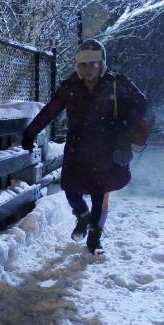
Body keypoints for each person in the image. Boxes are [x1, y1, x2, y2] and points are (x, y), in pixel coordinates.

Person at [21, 39, 147, 254]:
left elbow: (141, 103)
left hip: (106, 149)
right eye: (82, 64)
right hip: (77, 149)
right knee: (70, 189)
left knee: (100, 192)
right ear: (77, 66)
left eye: (93, 63)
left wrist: (122, 123)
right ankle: (82, 215)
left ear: (102, 63)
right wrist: (31, 131)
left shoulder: (117, 83)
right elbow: (50, 110)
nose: (88, 69)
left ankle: (95, 238)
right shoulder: (70, 86)